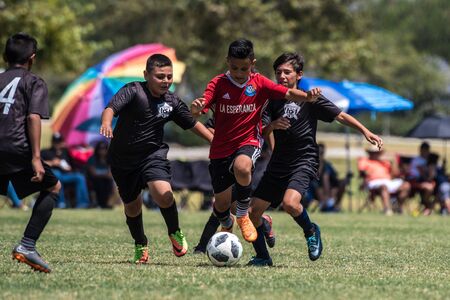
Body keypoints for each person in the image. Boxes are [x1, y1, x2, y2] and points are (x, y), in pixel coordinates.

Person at [247, 52, 383, 266]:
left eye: (287, 72)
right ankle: (263, 257)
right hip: (279, 163)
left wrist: (365, 131)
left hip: (304, 160)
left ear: (298, 75)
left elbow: (340, 115)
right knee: (252, 214)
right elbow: (261, 131)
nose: (282, 76)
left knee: (290, 204)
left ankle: (311, 231)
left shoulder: (310, 98)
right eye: (278, 72)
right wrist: (272, 126)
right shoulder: (272, 100)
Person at [191, 39, 321, 243]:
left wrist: (307, 97)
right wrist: (196, 108)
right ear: (227, 62)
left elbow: (287, 93)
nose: (240, 73)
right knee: (222, 205)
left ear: (253, 63)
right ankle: (228, 222)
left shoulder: (259, 82)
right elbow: (202, 105)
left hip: (248, 141)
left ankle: (243, 215)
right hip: (221, 149)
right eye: (234, 68)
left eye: (244, 68)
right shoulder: (218, 83)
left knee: (243, 168)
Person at [100, 53, 213, 264]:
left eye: (169, 76)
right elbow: (110, 108)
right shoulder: (133, 91)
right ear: (146, 75)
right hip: (123, 160)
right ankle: (140, 243)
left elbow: (191, 123)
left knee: (164, 194)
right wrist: (106, 124)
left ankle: (174, 231)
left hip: (152, 156)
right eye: (160, 76)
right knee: (132, 207)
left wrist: (212, 140)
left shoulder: (171, 101)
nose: (166, 81)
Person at [0, 33, 62, 273]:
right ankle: (27, 245)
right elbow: (33, 117)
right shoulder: (33, 81)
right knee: (53, 187)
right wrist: (36, 157)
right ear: (32, 58)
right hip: (16, 147)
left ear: (6, 56)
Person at [358, 144, 411, 215]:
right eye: (373, 152)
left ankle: (398, 207)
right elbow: (362, 172)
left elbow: (395, 174)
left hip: (388, 181)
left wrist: (393, 162)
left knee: (406, 185)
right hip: (373, 182)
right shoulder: (365, 160)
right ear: (370, 153)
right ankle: (387, 209)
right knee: (383, 186)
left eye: (377, 153)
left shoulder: (385, 162)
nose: (375, 154)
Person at [42, 132, 91, 208]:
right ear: (52, 142)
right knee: (57, 173)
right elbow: (39, 163)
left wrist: (68, 168)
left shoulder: (66, 152)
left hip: (66, 175)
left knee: (80, 177)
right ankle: (61, 203)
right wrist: (52, 163)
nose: (57, 144)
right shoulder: (45, 152)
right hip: (52, 177)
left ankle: (83, 203)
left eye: (59, 142)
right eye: (55, 142)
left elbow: (73, 165)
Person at [86, 141, 115, 208]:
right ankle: (99, 203)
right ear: (97, 149)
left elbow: (110, 174)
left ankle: (107, 203)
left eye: (105, 148)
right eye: (101, 148)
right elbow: (93, 173)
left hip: (106, 180)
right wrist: (105, 175)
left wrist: (106, 175)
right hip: (94, 179)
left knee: (110, 183)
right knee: (100, 183)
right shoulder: (92, 159)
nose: (103, 150)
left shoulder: (109, 159)